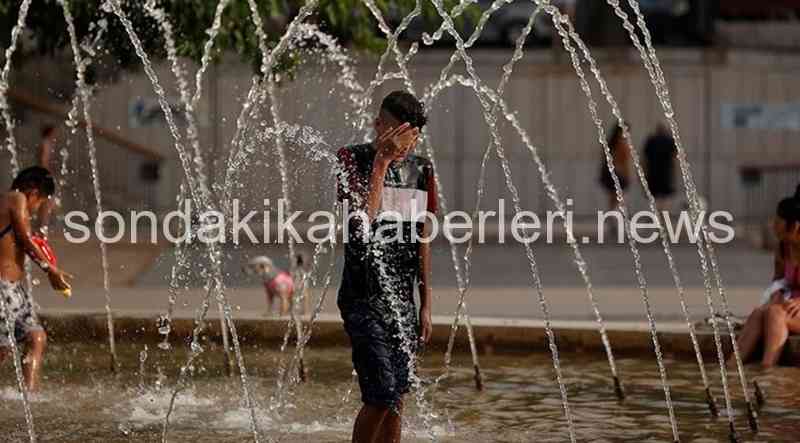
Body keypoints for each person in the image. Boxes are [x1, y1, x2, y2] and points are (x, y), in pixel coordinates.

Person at [336, 90, 435, 443]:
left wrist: (425, 303)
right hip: (363, 298)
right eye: (396, 135)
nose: (404, 146)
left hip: (402, 301)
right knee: (380, 394)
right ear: (379, 126)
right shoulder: (350, 160)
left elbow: (423, 236)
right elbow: (362, 225)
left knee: (397, 397)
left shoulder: (421, 170)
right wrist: (381, 162)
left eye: (412, 138)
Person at [0, 167, 72, 391]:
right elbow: (23, 239)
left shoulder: (9, 202)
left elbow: (22, 239)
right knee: (3, 348)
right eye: (40, 202)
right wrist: (50, 270)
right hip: (3, 289)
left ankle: (28, 398)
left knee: (36, 337)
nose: (36, 209)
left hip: (14, 290)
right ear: (33, 192)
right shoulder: (16, 198)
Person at [735, 185, 800, 368]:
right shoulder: (782, 248)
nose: (773, 225)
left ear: (794, 226)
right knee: (758, 313)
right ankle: (732, 367)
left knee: (775, 314)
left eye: (778, 221)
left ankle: (768, 369)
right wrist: (777, 293)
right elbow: (778, 280)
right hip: (791, 305)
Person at [644, 123, 677, 213]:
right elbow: (674, 158)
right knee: (665, 197)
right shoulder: (669, 141)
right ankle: (663, 216)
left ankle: (657, 215)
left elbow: (645, 158)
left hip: (654, 173)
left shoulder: (651, 140)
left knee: (655, 197)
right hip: (665, 173)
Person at [599, 123, 632, 213]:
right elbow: (623, 162)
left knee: (613, 197)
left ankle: (612, 215)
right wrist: (626, 174)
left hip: (610, 173)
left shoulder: (611, 143)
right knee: (616, 197)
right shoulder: (621, 144)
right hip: (618, 173)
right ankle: (613, 216)